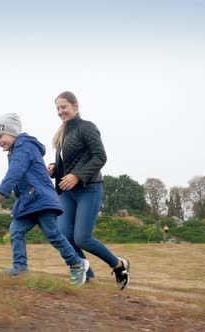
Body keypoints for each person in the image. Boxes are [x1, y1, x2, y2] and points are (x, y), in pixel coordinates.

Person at [0, 112, 90, 286]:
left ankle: (77, 263)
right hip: (28, 201)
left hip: (41, 199)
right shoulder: (16, 150)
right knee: (16, 231)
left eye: (0, 136)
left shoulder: (24, 146)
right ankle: (20, 267)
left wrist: (4, 188)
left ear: (12, 132)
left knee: (53, 234)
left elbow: (17, 170)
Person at [47, 91, 131, 290]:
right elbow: (67, 165)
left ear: (75, 105)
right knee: (64, 235)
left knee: (82, 238)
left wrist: (77, 176)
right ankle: (87, 276)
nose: (60, 111)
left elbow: (100, 157)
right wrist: (54, 169)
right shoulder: (63, 133)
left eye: (63, 107)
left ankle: (118, 265)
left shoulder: (87, 127)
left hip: (88, 189)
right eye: (57, 108)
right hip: (67, 193)